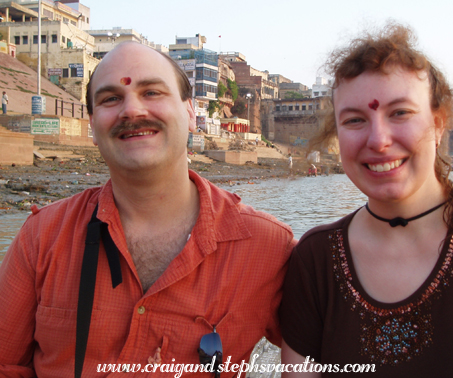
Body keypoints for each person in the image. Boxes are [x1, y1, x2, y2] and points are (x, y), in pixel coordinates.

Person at [0, 42, 295, 377]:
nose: (132, 110)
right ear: (93, 126)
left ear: (190, 113)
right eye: (111, 99)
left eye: (152, 92)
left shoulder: (267, 248)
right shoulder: (42, 239)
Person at [280, 23, 453, 377]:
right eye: (355, 120)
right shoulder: (316, 260)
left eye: (400, 113)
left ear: (439, 122)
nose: (379, 140)